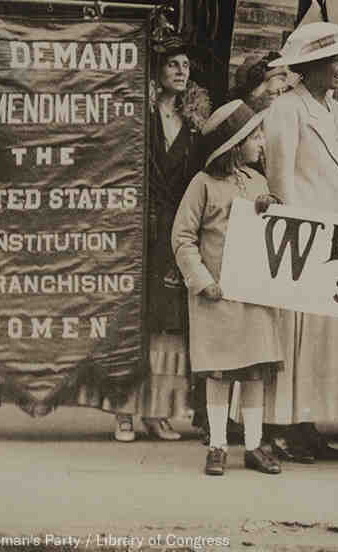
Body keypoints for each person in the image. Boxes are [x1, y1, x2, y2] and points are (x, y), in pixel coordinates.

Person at [263, 21, 338, 461]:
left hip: (336, 236)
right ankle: (283, 428)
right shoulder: (287, 108)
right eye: (334, 61)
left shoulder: (334, 110)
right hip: (304, 236)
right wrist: (291, 230)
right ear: (311, 67)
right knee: (297, 335)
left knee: (325, 337)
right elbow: (280, 176)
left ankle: (309, 425)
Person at [171, 100, 284, 476]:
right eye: (255, 136)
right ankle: (217, 443)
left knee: (253, 371)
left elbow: (271, 231)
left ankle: (254, 444)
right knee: (219, 373)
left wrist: (272, 209)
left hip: (253, 294)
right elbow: (183, 237)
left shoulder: (257, 183)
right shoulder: (202, 185)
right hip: (217, 298)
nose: (262, 142)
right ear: (235, 144)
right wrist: (203, 282)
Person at [112, 32, 211, 442]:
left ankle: (157, 411)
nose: (181, 71)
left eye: (186, 65)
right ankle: (122, 411)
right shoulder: (139, 114)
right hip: (136, 224)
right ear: (157, 70)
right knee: (131, 317)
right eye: (173, 64)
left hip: (173, 226)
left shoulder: (194, 123)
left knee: (167, 321)